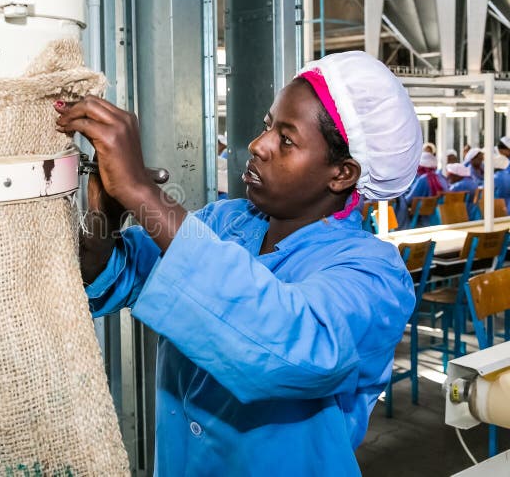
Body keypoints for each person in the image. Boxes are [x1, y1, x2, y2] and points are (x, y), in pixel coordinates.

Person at [55, 51, 419, 475]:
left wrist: (143, 193)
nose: (258, 145)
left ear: (341, 173)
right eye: (268, 125)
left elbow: (285, 344)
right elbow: (115, 276)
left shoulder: (374, 274)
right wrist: (106, 220)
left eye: (286, 139)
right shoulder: (226, 222)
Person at [396, 151, 448, 228]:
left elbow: (409, 200)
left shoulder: (423, 179)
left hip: (421, 221)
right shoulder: (441, 178)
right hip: (437, 218)